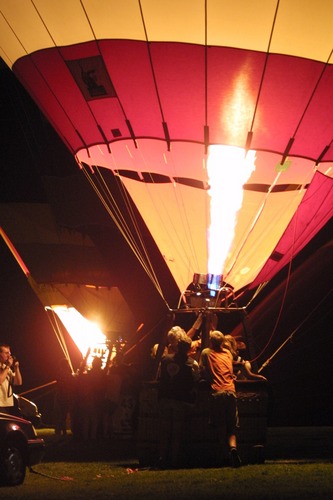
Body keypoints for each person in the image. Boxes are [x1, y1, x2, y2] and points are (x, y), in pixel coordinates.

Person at [199, 330, 242, 467]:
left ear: (211, 341)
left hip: (217, 391)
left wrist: (207, 377)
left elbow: (201, 369)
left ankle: (223, 456)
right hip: (230, 390)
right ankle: (233, 449)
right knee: (231, 427)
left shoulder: (206, 352)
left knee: (219, 426)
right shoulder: (228, 353)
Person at [157, 332, 200, 469]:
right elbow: (196, 380)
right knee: (176, 432)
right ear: (188, 348)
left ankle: (162, 458)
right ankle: (174, 460)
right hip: (181, 400)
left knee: (164, 431)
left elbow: (159, 377)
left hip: (165, 398)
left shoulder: (164, 360)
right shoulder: (192, 363)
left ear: (177, 346)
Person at [53, 358, 75, 436]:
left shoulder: (59, 373)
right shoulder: (68, 374)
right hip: (65, 396)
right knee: (63, 414)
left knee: (60, 414)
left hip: (59, 395)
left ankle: (59, 430)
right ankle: (62, 430)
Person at [0, 343, 23, 415]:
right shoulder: (6, 367)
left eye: (9, 353)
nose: (9, 355)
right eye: (6, 353)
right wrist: (8, 366)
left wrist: (16, 368)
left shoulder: (6, 367)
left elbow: (18, 382)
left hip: (6, 404)